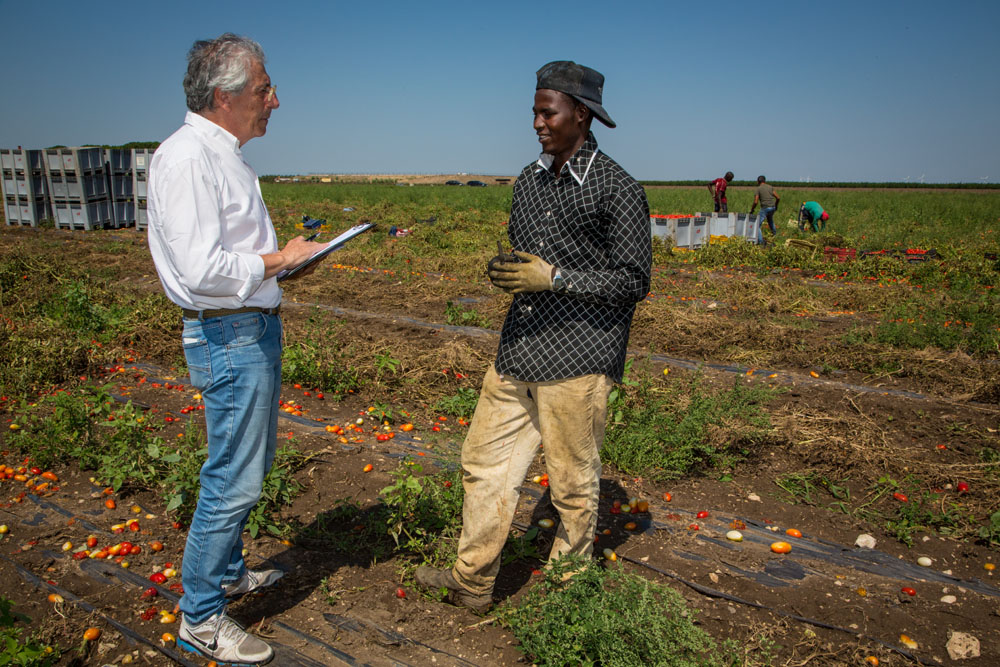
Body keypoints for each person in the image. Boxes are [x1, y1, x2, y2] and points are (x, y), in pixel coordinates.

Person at [414, 60, 651, 612]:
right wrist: (512, 273)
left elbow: (634, 280)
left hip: (579, 354)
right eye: (535, 112)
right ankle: (473, 582)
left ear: (582, 116)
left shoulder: (617, 189)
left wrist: (557, 278)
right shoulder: (530, 180)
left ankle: (568, 594)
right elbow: (532, 261)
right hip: (519, 349)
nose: (538, 123)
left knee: (570, 481)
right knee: (483, 462)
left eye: (549, 112)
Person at [147, 33, 325, 665]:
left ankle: (223, 575)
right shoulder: (189, 157)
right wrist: (281, 258)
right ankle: (200, 618)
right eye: (263, 89)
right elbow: (200, 270)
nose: (275, 99)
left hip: (248, 328)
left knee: (246, 468)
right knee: (231, 479)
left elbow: (229, 259)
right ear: (224, 97)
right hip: (229, 335)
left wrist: (281, 268)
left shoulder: (224, 156)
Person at [749, 175, 780, 242]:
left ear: (758, 181)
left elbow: (756, 202)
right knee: (770, 221)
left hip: (765, 208)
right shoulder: (770, 187)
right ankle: (775, 237)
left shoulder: (758, 189)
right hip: (772, 207)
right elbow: (778, 197)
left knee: (757, 225)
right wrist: (776, 206)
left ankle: (760, 242)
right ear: (764, 181)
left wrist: (752, 209)